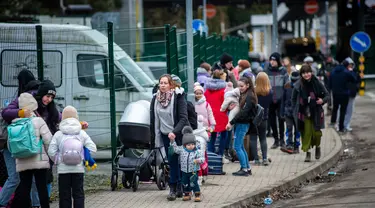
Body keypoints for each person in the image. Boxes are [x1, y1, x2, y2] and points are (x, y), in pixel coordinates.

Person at [0, 70, 41, 208]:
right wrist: (21, 112)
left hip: (17, 144)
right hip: (20, 144)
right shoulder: (24, 99)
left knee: (17, 178)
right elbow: (5, 113)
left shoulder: (24, 98)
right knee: (27, 177)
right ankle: (35, 204)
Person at [48, 105, 97, 208]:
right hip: (78, 169)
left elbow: (51, 152)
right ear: (76, 117)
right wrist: (81, 157)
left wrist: (60, 159)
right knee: (78, 194)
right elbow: (93, 148)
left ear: (63, 118)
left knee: (64, 195)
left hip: (63, 170)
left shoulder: (58, 134)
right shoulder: (81, 133)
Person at [10, 93, 52, 208]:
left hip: (22, 160)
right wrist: (53, 157)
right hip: (39, 159)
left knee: (24, 188)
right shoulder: (38, 121)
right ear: (33, 106)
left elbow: (10, 146)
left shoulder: (14, 123)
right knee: (41, 187)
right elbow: (49, 140)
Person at [150, 74, 188, 201]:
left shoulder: (178, 96)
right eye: (161, 83)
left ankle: (181, 186)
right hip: (166, 134)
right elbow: (153, 119)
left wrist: (175, 132)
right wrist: (154, 137)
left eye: (165, 83)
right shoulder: (156, 98)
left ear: (171, 85)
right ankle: (173, 188)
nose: (162, 85)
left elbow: (183, 118)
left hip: (179, 133)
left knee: (181, 161)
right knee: (172, 161)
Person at [292, 65, 329, 162]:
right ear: (301, 74)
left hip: (316, 111)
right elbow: (293, 99)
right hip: (303, 113)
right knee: (306, 133)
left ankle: (318, 146)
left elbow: (327, 95)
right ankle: (307, 153)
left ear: (311, 72)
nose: (306, 75)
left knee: (317, 133)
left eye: (308, 72)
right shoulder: (298, 85)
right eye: (304, 73)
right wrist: (295, 111)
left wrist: (322, 100)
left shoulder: (317, 83)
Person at [226, 77, 258, 176]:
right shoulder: (247, 94)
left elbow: (243, 113)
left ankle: (244, 169)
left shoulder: (249, 96)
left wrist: (231, 122)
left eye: (242, 86)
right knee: (240, 146)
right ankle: (247, 167)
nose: (240, 88)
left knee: (237, 147)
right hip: (242, 123)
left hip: (243, 123)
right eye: (239, 86)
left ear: (248, 85)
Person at [169, 126, 204, 202]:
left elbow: (202, 159)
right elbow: (175, 149)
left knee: (193, 182)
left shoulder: (197, 151)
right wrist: (172, 141)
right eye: (188, 145)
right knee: (185, 182)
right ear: (184, 145)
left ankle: (197, 194)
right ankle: (187, 194)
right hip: (184, 170)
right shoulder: (182, 149)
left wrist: (198, 160)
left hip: (193, 171)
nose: (191, 146)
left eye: (192, 144)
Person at [204, 70, 229, 163]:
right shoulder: (223, 90)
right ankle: (220, 155)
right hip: (221, 115)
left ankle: (210, 155)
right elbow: (225, 103)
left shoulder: (207, 90)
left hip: (210, 115)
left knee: (212, 136)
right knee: (224, 135)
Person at [264, 52, 288, 149]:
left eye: (274, 60)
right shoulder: (266, 71)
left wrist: (286, 98)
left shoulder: (283, 71)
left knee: (281, 119)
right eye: (271, 60)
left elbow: (287, 85)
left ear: (278, 61)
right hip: (270, 100)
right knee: (272, 121)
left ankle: (282, 140)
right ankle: (276, 140)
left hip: (280, 100)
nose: (272, 62)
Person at [250, 72, 273, 166]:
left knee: (253, 138)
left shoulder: (253, 91)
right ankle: (264, 158)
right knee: (263, 138)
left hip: (253, 118)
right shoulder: (269, 92)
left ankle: (256, 159)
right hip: (264, 118)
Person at [329, 59, 357, 133]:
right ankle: (341, 128)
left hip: (335, 93)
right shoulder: (346, 72)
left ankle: (333, 123)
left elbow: (329, 82)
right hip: (344, 94)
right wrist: (351, 71)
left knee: (335, 108)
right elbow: (354, 79)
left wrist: (332, 90)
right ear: (347, 65)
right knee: (343, 111)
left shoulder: (333, 71)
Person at [336, 57, 360, 132]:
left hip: (351, 94)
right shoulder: (341, 72)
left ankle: (347, 125)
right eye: (349, 65)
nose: (350, 66)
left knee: (349, 110)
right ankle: (339, 125)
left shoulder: (354, 72)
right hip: (343, 94)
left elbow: (357, 80)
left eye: (351, 65)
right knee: (341, 110)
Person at [281, 71, 300, 154]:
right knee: (289, 128)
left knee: (297, 130)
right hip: (288, 112)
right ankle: (289, 145)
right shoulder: (287, 86)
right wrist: (282, 111)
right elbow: (283, 100)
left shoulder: (301, 87)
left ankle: (296, 146)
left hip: (298, 112)